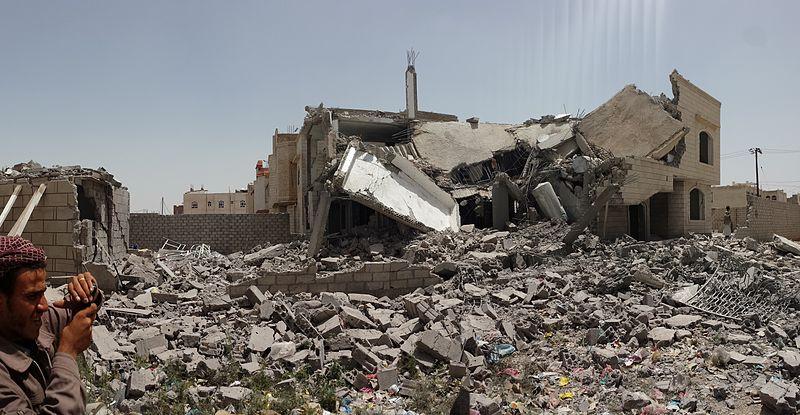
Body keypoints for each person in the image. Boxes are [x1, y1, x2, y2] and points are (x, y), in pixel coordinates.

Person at [0, 236, 100, 414]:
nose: (44, 306)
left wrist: (88, 293)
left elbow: (82, 312)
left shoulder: (37, 321)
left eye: (43, 293)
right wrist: (67, 352)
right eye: (32, 297)